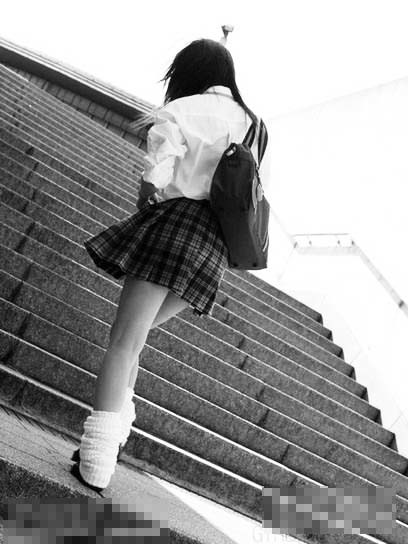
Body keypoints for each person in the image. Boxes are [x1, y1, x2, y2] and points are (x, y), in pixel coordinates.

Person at [70, 38, 270, 493]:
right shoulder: (255, 125)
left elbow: (156, 176)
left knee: (123, 342)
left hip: (175, 226)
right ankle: (110, 439)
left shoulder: (180, 110)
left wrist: (147, 193)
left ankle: (97, 459)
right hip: (214, 248)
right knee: (135, 341)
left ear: (187, 73)